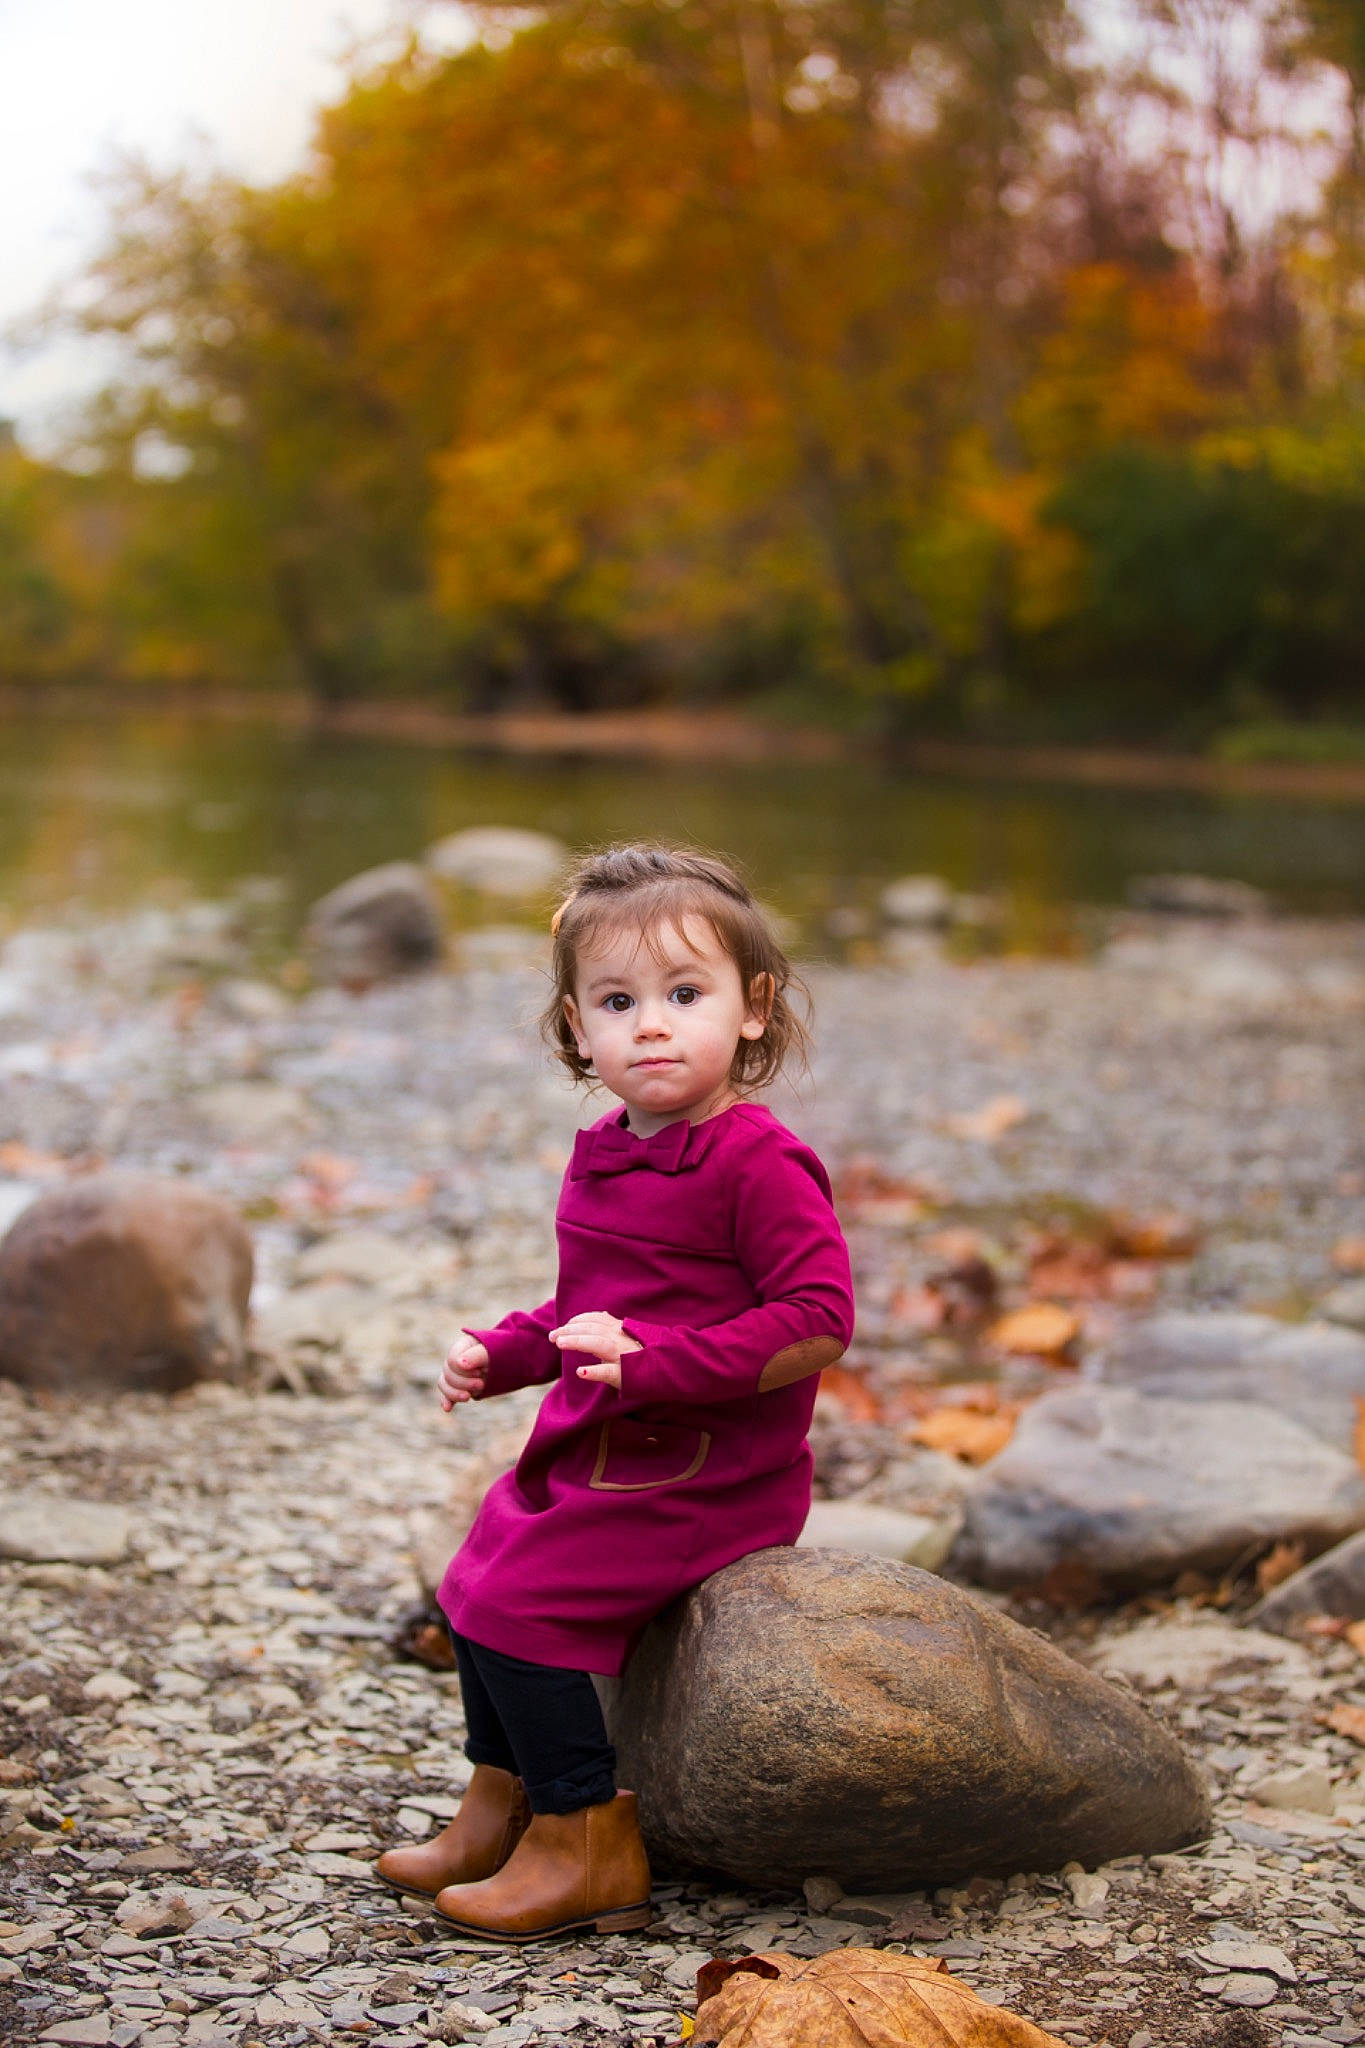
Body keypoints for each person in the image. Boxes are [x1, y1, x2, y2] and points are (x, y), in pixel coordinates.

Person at [375, 843, 855, 1941]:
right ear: (575, 1027)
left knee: (528, 1597)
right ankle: (497, 1805)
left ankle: (584, 1834)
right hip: (599, 1445)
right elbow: (589, 1308)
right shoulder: (603, 1150)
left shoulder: (757, 1163)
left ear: (751, 1007)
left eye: (685, 995)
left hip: (708, 1473)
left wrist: (660, 1362)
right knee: (476, 1569)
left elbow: (819, 1319)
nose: (651, 1023)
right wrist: (506, 1353)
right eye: (617, 999)